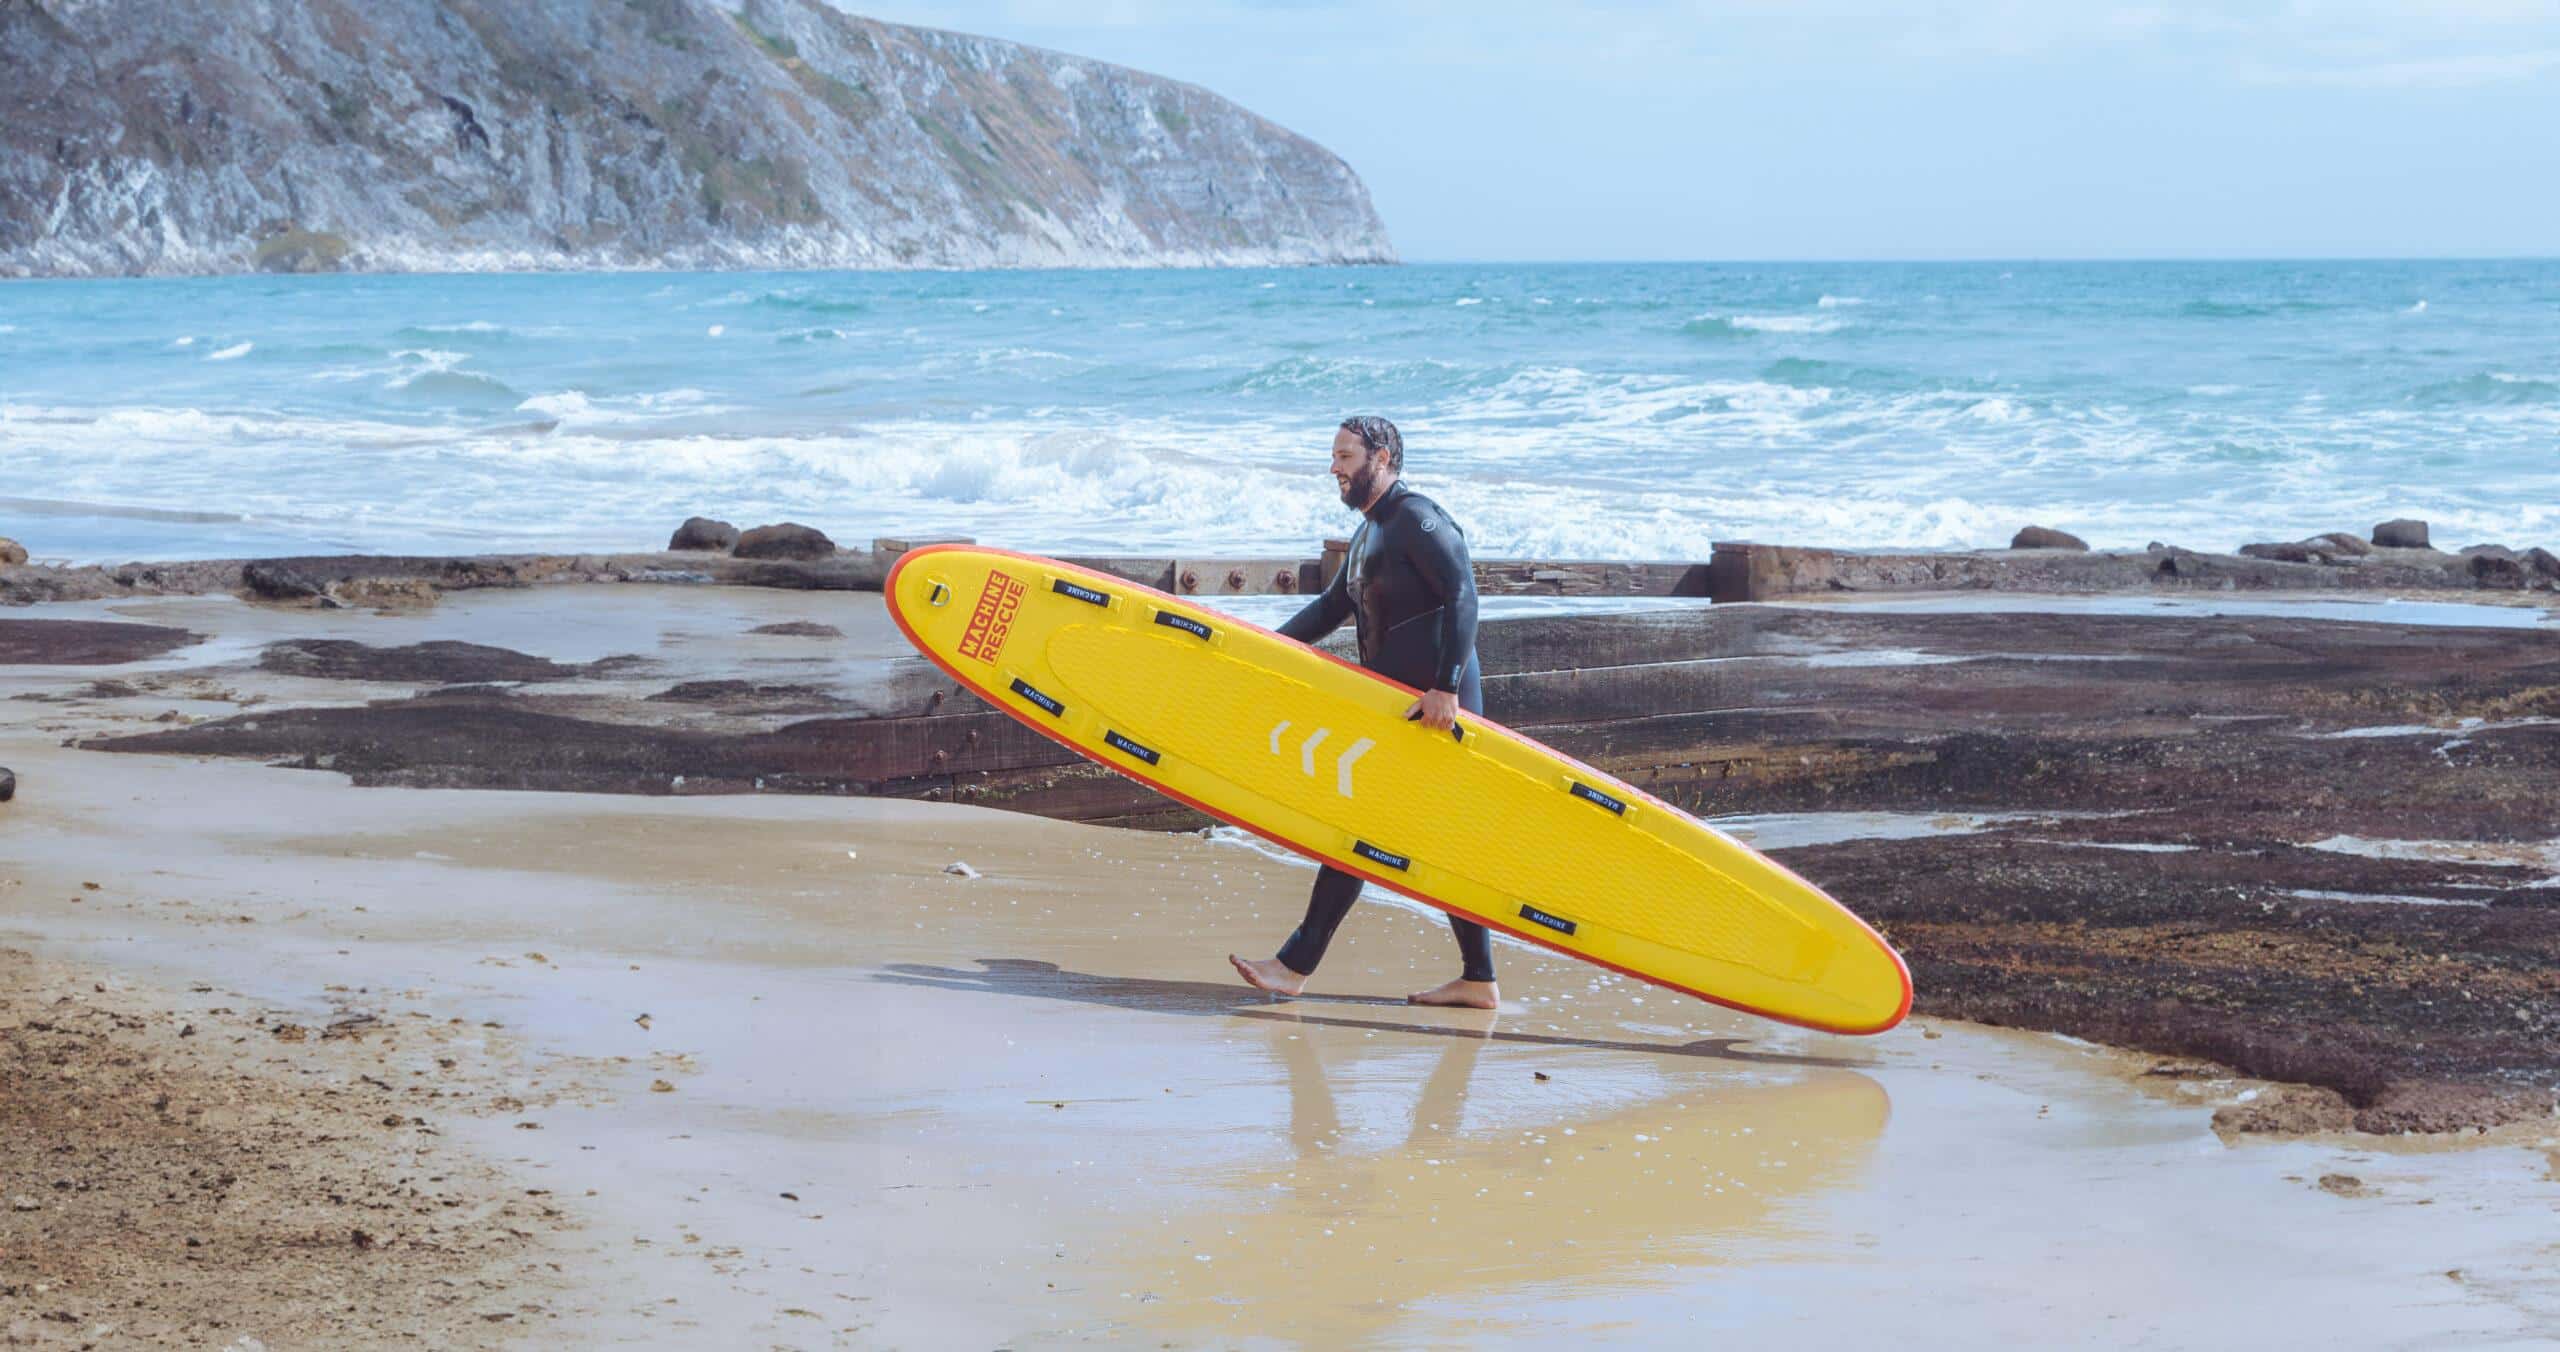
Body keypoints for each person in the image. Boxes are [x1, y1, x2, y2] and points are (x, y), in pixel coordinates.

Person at [1227, 415, 1497, 1010]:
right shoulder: (1368, 536)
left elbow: (1463, 593)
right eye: (1334, 456)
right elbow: (1328, 610)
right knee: (1428, 842)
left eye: (1345, 456)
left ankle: (1294, 967)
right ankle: (1479, 978)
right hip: (1404, 714)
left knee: (1361, 833)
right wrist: (1265, 652)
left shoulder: (1416, 518)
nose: (1335, 468)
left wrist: (1446, 689)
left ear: (1383, 457)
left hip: (1437, 714)